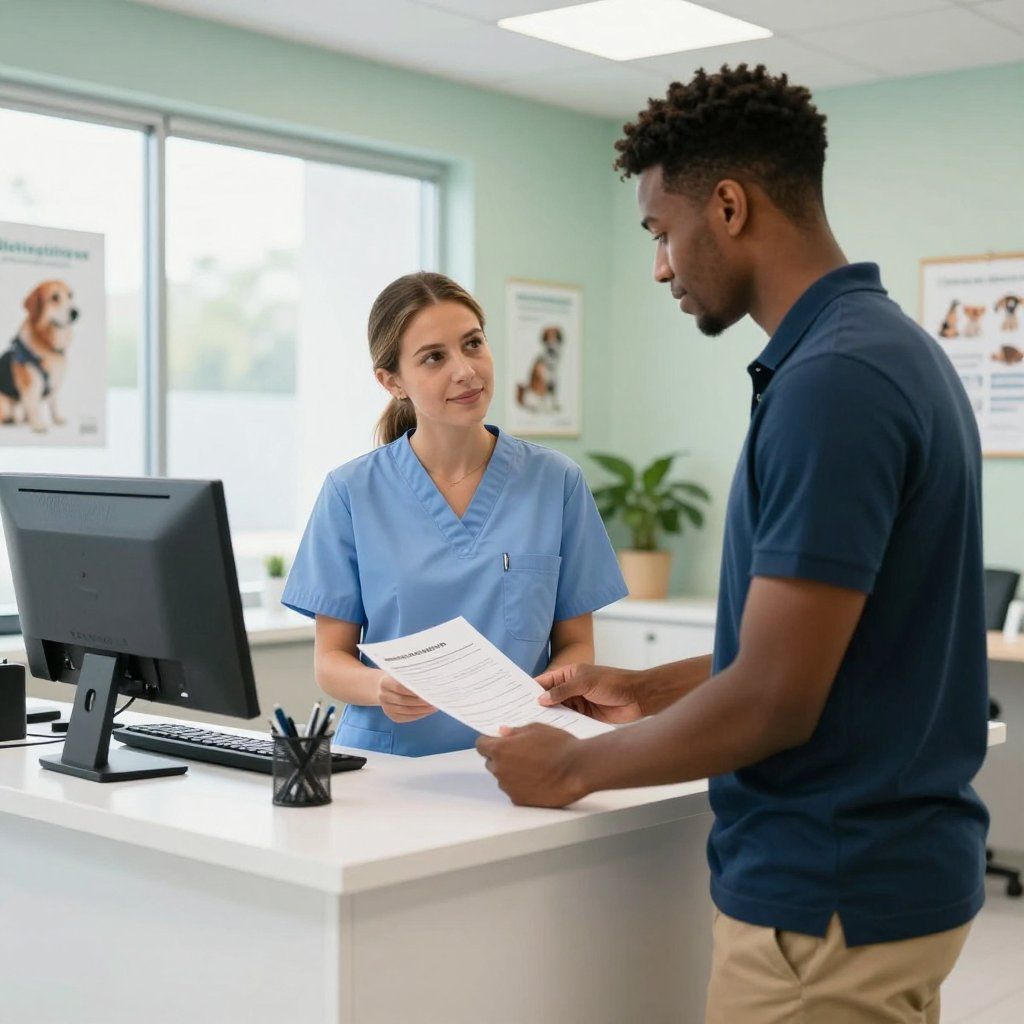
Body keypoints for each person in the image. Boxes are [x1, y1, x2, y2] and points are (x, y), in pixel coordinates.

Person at [477, 65, 988, 1023]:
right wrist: (647, 690)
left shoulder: (834, 383)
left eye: (662, 232)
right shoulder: (884, 351)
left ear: (729, 205)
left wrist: (575, 765)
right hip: (881, 883)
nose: (661, 266)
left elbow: (777, 700)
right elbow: (827, 650)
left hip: (824, 902)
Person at [283, 272, 627, 756]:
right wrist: (380, 688)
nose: (465, 370)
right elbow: (330, 660)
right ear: (392, 381)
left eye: (473, 344)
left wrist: (540, 698)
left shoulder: (556, 483)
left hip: (520, 754)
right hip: (388, 765)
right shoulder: (351, 492)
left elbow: (577, 643)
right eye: (434, 357)